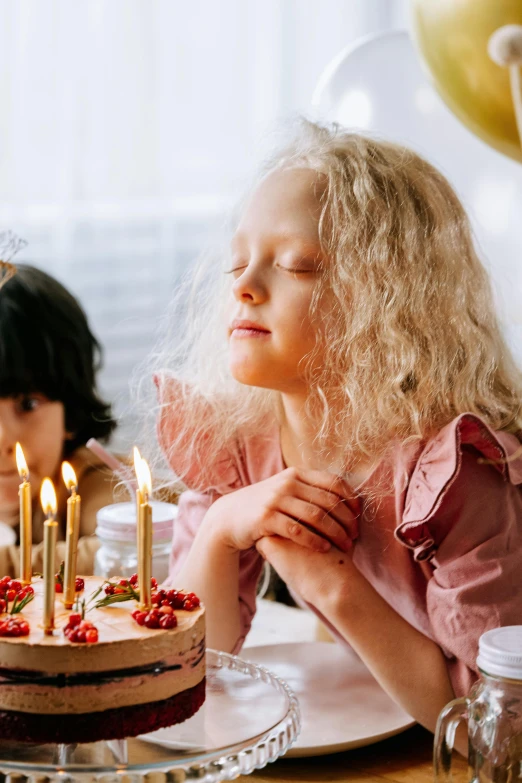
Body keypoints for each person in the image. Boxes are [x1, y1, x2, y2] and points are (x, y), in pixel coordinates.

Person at [150, 121, 522, 735]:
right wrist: (219, 530)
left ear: (385, 300)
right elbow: (184, 668)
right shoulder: (239, 438)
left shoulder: (453, 475)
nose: (244, 285)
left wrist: (326, 582)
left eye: (296, 266)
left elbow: (489, 728)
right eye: (238, 262)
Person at [0, 262, 125, 576]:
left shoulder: (95, 481)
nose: (3, 438)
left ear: (70, 411)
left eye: (27, 404)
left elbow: (137, 547)